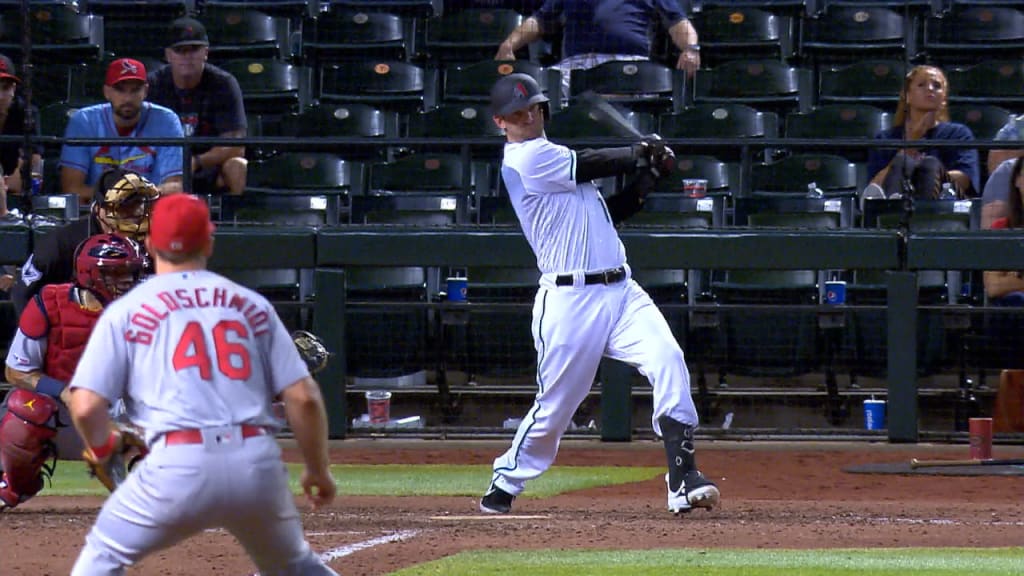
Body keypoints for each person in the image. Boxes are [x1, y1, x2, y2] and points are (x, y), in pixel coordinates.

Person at [479, 73, 719, 515]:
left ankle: (682, 476)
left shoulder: (557, 162)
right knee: (557, 406)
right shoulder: (525, 158)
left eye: (533, 107)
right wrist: (640, 151)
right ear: (502, 122)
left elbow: (612, 213)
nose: (528, 116)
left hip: (622, 290)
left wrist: (647, 177)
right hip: (569, 302)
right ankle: (506, 479)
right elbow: (590, 162)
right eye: (518, 112)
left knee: (668, 360)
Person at [67, 194, 338, 575]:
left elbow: (85, 404)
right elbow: (304, 398)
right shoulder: (251, 304)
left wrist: (102, 446)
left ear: (149, 244)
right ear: (209, 243)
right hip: (253, 462)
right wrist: (317, 469)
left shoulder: (126, 310)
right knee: (294, 566)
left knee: (103, 558)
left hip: (174, 465)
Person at [1, 233, 145, 511]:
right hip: (63, 419)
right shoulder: (50, 302)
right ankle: (18, 485)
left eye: (130, 272)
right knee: (24, 408)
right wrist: (63, 392)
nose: (126, 280)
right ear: (89, 273)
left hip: (122, 418)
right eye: (115, 273)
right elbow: (16, 370)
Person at [10, 168, 160, 317]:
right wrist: (38, 333)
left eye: (140, 204)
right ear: (99, 209)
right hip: (74, 328)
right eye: (126, 206)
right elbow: (22, 292)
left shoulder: (153, 242)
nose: (136, 213)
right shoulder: (62, 242)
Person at [494, 0, 700, 101]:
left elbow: (678, 23)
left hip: (627, 67)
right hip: (575, 66)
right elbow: (539, 20)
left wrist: (690, 49)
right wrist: (509, 45)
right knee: (532, 94)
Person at [60, 58, 184, 204]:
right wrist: (122, 196)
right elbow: (72, 189)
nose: (127, 98)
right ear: (107, 92)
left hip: (149, 214)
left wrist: (132, 197)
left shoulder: (166, 120)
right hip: (97, 214)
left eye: (135, 90)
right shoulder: (84, 120)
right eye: (120, 90)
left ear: (145, 91)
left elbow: (176, 187)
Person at [147, 17, 248, 196]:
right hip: (164, 166)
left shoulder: (224, 83)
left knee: (237, 165)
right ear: (168, 55)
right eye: (180, 50)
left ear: (206, 53)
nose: (187, 57)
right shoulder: (153, 84)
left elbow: (236, 145)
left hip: (207, 164)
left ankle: (234, 220)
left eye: (194, 50)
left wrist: (196, 161)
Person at [867, 65, 980, 199]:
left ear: (943, 99)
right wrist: (909, 148)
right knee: (902, 161)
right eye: (921, 85)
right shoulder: (885, 138)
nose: (930, 89)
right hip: (894, 195)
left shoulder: (958, 134)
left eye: (937, 86)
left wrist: (920, 176)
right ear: (907, 95)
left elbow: (965, 179)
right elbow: (874, 186)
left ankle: (923, 216)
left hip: (945, 200)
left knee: (929, 164)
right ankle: (894, 208)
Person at [0, 53, 42, 198]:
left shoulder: (26, 112)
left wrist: (20, 177)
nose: (0, 96)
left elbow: (34, 159)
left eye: (5, 88)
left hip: (14, 193)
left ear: (14, 88)